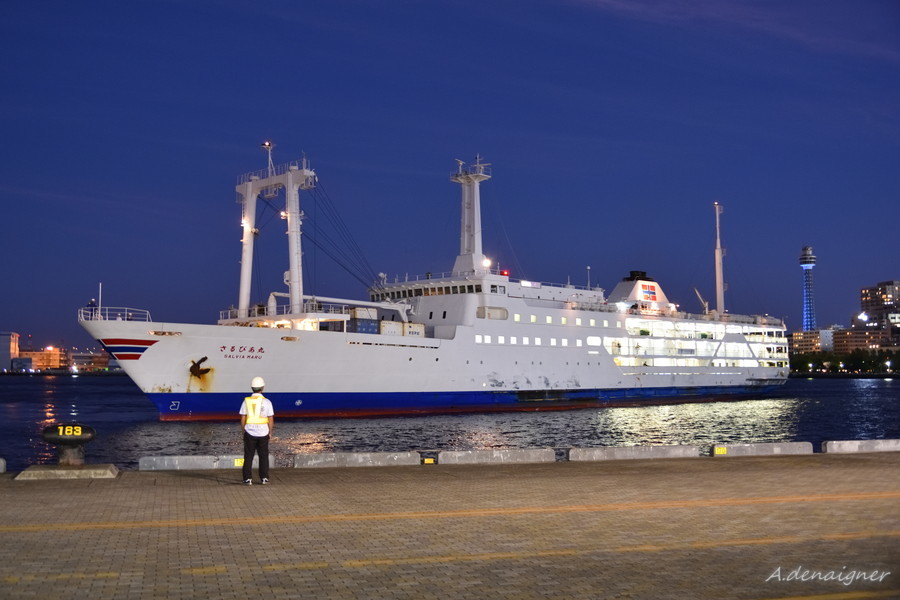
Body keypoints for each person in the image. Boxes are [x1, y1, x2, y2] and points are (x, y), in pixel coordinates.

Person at [239, 376, 274, 485]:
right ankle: (264, 478)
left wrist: (243, 430)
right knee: (263, 456)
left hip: (250, 432)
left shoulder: (246, 401)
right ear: (262, 388)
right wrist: (270, 432)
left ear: (252, 388)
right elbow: (270, 418)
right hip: (263, 432)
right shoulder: (267, 402)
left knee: (248, 456)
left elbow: (243, 418)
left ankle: (247, 479)